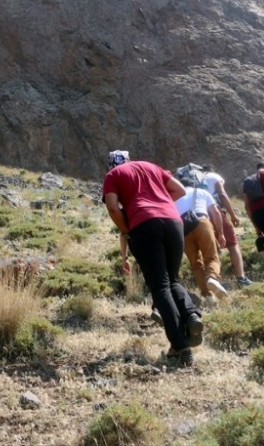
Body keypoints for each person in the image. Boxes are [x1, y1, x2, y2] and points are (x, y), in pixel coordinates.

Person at [104, 150, 203, 368]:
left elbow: (112, 206)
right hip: (173, 222)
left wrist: (127, 228)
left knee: (160, 286)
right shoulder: (150, 166)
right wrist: (161, 202)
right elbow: (179, 189)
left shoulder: (113, 175)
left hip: (144, 225)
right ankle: (191, 315)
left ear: (111, 164)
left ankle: (180, 346)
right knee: (173, 279)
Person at [174, 175, 229, 302]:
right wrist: (220, 233)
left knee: (196, 264)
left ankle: (208, 296)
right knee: (211, 257)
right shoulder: (202, 192)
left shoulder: (174, 197)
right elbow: (215, 212)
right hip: (202, 222)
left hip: (183, 230)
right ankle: (212, 278)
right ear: (193, 184)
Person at [198, 164, 253, 288]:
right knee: (233, 244)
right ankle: (241, 278)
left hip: (198, 214)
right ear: (212, 170)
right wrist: (233, 215)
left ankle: (215, 279)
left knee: (210, 247)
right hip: (213, 211)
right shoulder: (214, 176)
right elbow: (222, 194)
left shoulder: (195, 179)